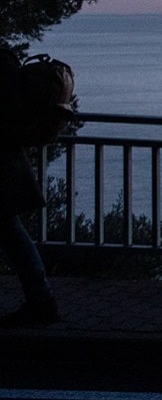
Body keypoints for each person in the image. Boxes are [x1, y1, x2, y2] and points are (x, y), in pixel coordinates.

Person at [0, 52, 62, 328]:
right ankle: (41, 300)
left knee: (10, 231)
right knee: (10, 231)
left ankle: (41, 301)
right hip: (7, 163)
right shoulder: (6, 65)